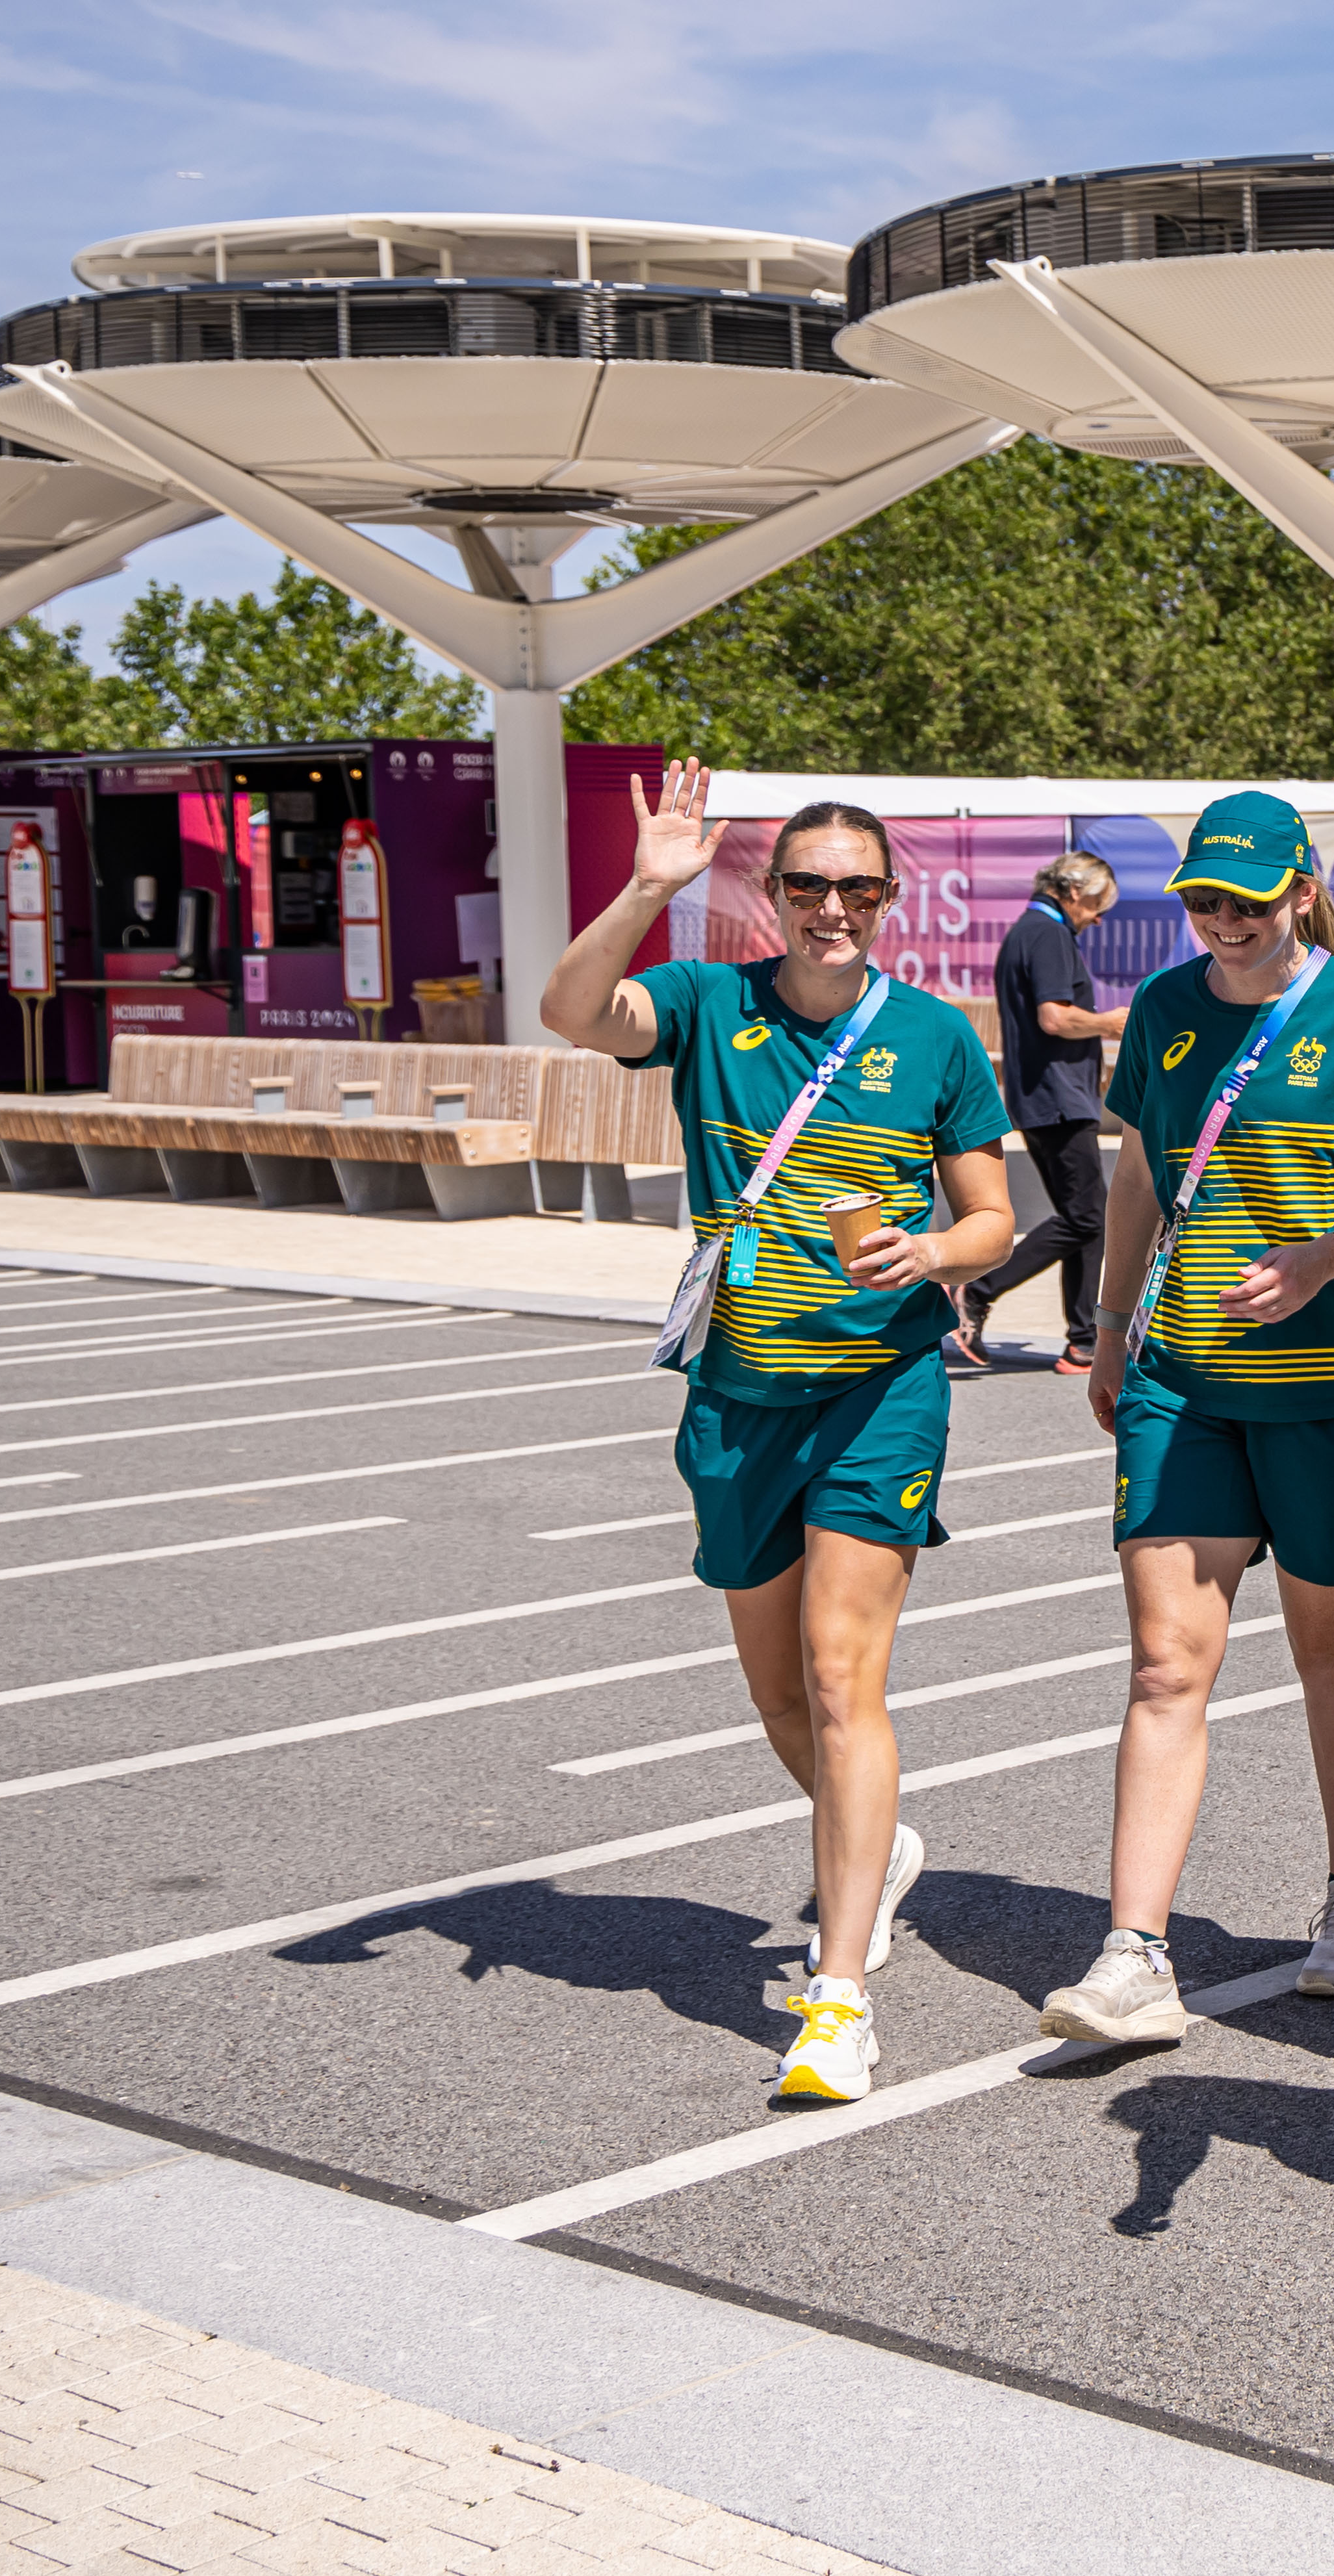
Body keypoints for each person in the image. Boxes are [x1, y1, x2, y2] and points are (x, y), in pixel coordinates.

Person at [540, 763, 1019, 2104]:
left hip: (881, 1386)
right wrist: (649, 884)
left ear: (887, 898)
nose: (830, 908)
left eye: (856, 886)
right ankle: (874, 1841)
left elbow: (988, 1213)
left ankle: (840, 1989)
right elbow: (572, 1011)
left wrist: (934, 1251)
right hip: (737, 1389)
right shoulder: (706, 1003)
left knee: (839, 1672)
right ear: (771, 892)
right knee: (777, 1692)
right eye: (805, 883)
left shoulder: (932, 1035)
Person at [1039, 793, 1334, 2047]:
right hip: (1183, 1383)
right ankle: (1135, 1951)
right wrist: (1110, 1320)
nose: (1227, 923)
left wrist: (1326, 1258)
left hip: (1328, 1395)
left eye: (1252, 901)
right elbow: (1142, 1167)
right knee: (1163, 1665)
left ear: (1302, 890)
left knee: (1328, 1653)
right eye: (1206, 901)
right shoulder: (1164, 1008)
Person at [959, 851, 1123, 1371]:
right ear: (1073, 892)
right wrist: (1110, 1022)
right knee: (1088, 1216)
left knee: (1087, 1220)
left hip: (1048, 1097)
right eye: (1098, 905)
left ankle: (1083, 1340)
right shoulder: (1047, 933)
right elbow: (1055, 1018)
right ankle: (977, 1288)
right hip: (1056, 1098)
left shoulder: (1033, 931)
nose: (1099, 919)